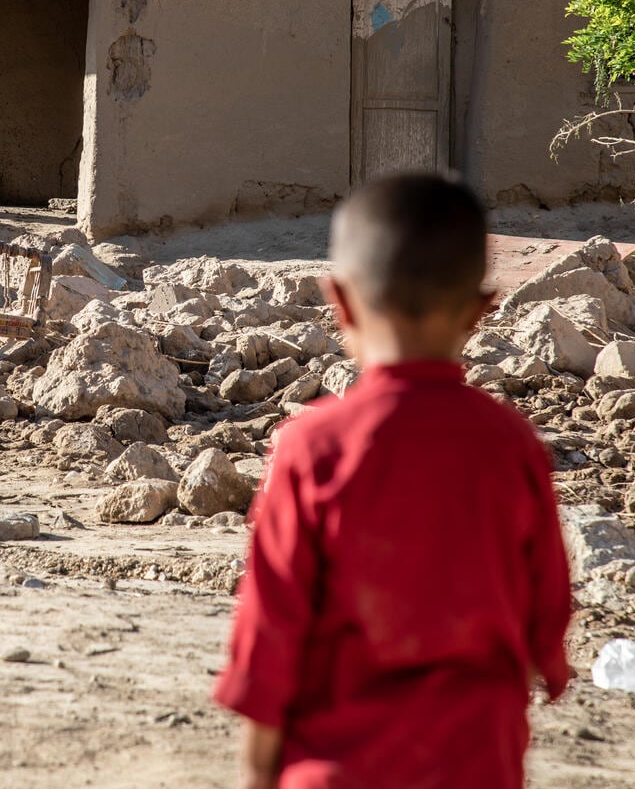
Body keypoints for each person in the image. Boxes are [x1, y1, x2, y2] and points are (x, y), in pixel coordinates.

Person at [212, 174, 571, 789]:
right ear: (482, 312)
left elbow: (272, 629)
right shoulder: (513, 446)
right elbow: (547, 608)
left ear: (339, 303)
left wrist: (258, 774)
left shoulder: (312, 448)